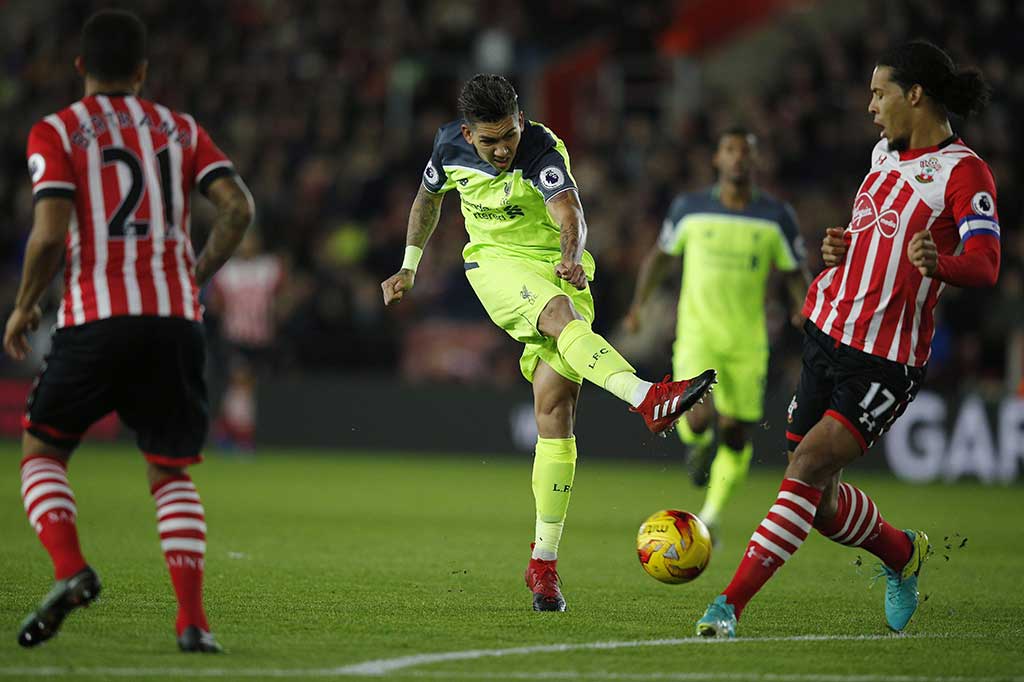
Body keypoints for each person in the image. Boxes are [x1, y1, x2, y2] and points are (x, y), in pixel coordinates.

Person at [695, 41, 998, 638]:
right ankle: (902, 553)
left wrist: (941, 263)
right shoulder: (883, 153)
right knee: (821, 500)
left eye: (880, 93)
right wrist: (842, 248)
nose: (870, 106)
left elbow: (986, 263)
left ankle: (727, 606)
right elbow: (876, 235)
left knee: (806, 467)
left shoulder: (965, 172)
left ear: (915, 95)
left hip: (884, 360)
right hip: (826, 331)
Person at [380, 74, 716, 612]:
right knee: (557, 315)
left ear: (520, 119)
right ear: (467, 134)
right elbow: (427, 200)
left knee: (556, 413)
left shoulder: (541, 146)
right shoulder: (446, 147)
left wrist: (569, 256)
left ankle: (543, 563)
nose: (501, 150)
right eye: (489, 141)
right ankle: (648, 398)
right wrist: (409, 265)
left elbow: (570, 213)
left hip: (560, 268)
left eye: (508, 135)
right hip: (494, 264)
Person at [3, 10, 254, 652]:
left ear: (80, 66)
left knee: (42, 453)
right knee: (169, 472)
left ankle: (70, 568)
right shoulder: (180, 128)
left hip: (95, 317)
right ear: (142, 71)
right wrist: (195, 272)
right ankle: (192, 622)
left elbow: (50, 234)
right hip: (174, 319)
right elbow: (237, 207)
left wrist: (25, 305)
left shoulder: (57, 129)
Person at [625, 127, 810, 540]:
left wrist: (805, 307)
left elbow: (796, 271)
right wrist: (638, 305)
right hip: (698, 333)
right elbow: (660, 257)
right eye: (730, 150)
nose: (738, 158)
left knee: (735, 432)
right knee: (698, 415)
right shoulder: (689, 208)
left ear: (755, 160)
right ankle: (697, 442)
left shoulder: (776, 215)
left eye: (745, 151)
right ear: (717, 159)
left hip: (747, 341)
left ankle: (711, 514)